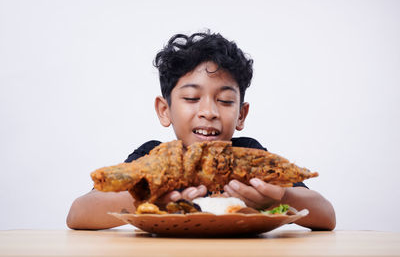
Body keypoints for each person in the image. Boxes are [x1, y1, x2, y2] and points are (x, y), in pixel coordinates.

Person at [67, 31, 336, 230]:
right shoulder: (152, 158)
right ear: (165, 110)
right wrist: (146, 195)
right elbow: (78, 214)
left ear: (241, 114)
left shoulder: (247, 154)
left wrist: (278, 198)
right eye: (192, 98)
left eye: (226, 101)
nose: (209, 111)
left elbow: (326, 216)